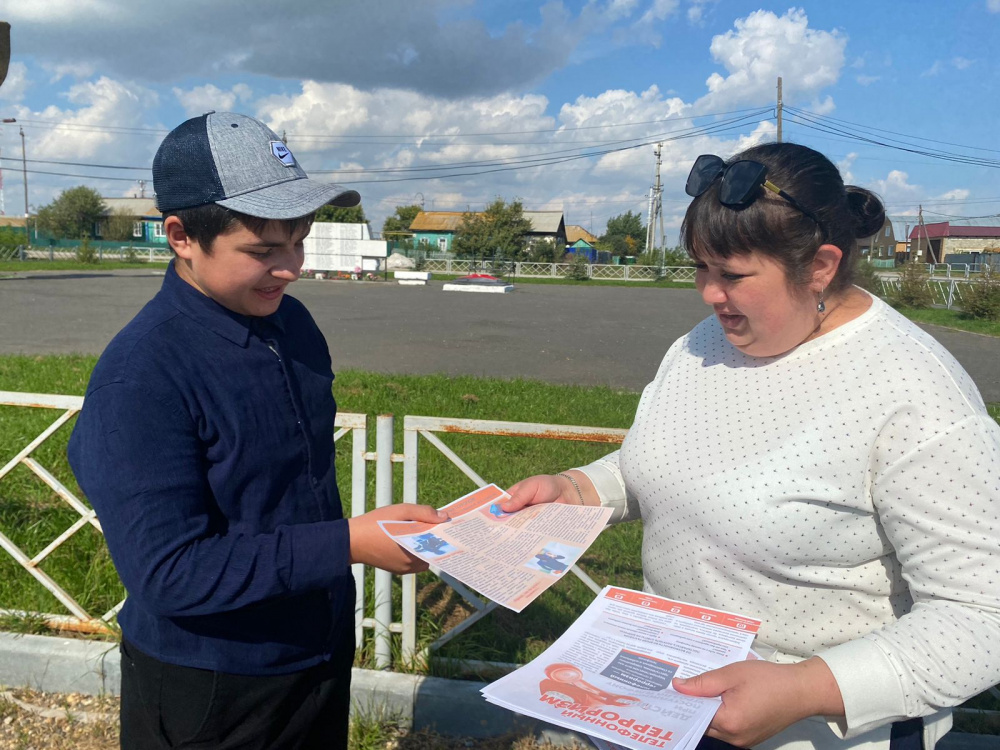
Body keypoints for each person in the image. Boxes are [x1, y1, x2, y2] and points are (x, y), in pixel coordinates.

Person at [502, 143, 1000, 750]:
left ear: (820, 267)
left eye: (732, 275)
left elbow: (982, 618)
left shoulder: (915, 396)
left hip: (816, 731)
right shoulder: (703, 343)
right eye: (700, 268)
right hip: (664, 700)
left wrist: (804, 689)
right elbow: (664, 461)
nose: (709, 294)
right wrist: (579, 489)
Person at [67, 112, 447, 750]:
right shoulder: (141, 377)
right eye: (264, 251)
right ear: (182, 237)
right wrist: (347, 543)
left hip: (315, 654)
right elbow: (168, 571)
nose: (291, 267)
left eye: (299, 241)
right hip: (212, 683)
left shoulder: (292, 326)